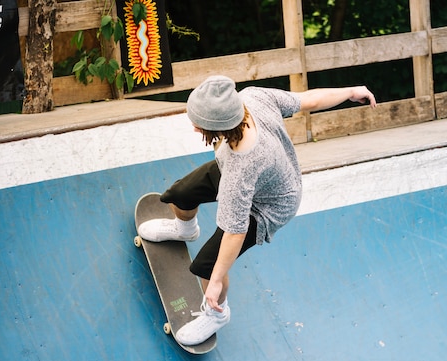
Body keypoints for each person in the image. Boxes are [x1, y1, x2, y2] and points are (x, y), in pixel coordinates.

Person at [138, 75, 376, 345]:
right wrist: (350, 90)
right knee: (180, 194)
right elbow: (308, 99)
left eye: (198, 125)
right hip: (263, 175)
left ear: (218, 126)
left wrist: (215, 280)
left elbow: (235, 232)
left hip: (270, 206)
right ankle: (185, 229)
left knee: (206, 266)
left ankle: (217, 315)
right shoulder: (252, 98)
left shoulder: (241, 168)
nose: (194, 128)